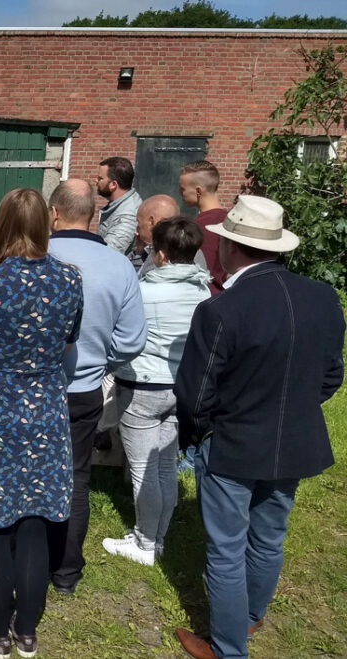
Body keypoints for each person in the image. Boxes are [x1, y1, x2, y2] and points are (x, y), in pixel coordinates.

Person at [174, 196, 344, 659]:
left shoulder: (221, 309)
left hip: (232, 443)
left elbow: (195, 392)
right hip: (292, 439)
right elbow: (331, 375)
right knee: (269, 536)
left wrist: (200, 435)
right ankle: (248, 618)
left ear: (230, 246)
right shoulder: (323, 298)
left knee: (227, 551)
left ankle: (230, 647)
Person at [0, 188, 84, 659]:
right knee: (33, 519)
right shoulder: (70, 279)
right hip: (47, 408)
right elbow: (70, 338)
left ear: (4, 225)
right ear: (45, 224)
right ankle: (26, 632)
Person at [46, 179, 147, 595]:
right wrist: (100, 358)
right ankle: (66, 573)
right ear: (93, 215)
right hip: (84, 388)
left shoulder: (33, 258)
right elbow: (132, 340)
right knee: (75, 478)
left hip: (33, 388)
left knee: (28, 476)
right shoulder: (119, 265)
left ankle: (25, 564)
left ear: (54, 213)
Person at [102, 217, 210, 566]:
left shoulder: (142, 292)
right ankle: (157, 538)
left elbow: (121, 336)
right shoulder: (203, 292)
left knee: (143, 469)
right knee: (165, 466)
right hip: (182, 388)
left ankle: (145, 543)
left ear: (160, 255)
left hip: (142, 387)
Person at [179, 160, 227, 294]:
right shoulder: (229, 221)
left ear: (198, 191)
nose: (179, 193)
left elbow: (201, 270)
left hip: (203, 295)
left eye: (182, 189)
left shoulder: (200, 227)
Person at [95, 156, 143, 259]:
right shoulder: (119, 204)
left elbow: (108, 253)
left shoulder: (128, 215)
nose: (96, 181)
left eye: (100, 178)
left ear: (113, 185)